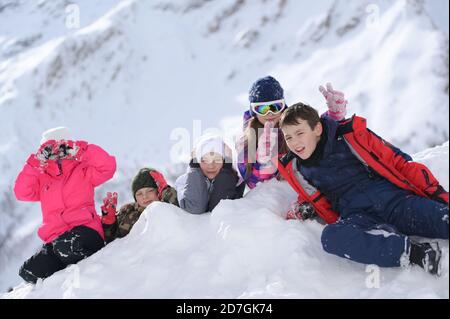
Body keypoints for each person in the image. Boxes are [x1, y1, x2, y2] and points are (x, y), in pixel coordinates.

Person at [277, 102, 449, 275]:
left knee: (443, 219)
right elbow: (310, 194)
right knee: (332, 237)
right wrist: (301, 208)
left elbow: (399, 162)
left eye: (300, 133)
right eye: (288, 137)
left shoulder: (349, 137)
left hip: (395, 202)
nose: (294, 142)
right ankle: (413, 253)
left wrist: (436, 193)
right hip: (359, 216)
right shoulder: (298, 168)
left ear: (317, 129)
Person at [14, 127, 116, 283]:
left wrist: (79, 151)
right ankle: (64, 264)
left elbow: (108, 167)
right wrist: (35, 164)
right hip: (55, 240)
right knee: (29, 271)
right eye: (49, 149)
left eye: (60, 146)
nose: (55, 153)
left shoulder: (82, 169)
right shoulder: (43, 178)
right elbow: (21, 192)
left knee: (65, 246)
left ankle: (82, 269)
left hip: (86, 231)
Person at [236, 76, 347, 189]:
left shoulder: (292, 124)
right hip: (279, 198)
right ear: (253, 111)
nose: (269, 113)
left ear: (283, 106)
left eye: (275, 107)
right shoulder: (246, 141)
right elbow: (251, 183)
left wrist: (333, 117)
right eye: (262, 109)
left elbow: (313, 130)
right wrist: (264, 163)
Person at [101, 168, 178, 243]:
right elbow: (111, 242)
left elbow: (179, 210)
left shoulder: (168, 207)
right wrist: (109, 222)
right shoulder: (127, 212)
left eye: (150, 191)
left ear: (159, 191)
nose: (145, 196)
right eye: (139, 194)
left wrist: (166, 191)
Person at [175, 135, 245, 214]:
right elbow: (195, 208)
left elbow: (219, 208)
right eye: (204, 160)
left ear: (225, 161)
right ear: (197, 163)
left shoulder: (235, 182)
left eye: (217, 160)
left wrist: (226, 170)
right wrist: (195, 169)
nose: (211, 166)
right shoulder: (184, 182)